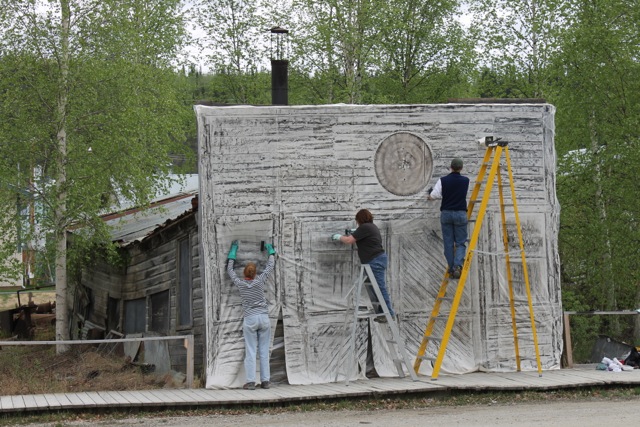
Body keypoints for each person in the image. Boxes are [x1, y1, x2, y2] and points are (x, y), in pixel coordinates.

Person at [226, 240, 276, 390]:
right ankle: (265, 381)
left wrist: (233, 251)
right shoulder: (260, 281)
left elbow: (230, 270)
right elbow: (270, 265)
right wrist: (270, 250)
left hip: (250, 319)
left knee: (251, 351)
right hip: (264, 318)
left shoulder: (241, 284)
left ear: (245, 273)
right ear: (255, 273)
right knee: (264, 350)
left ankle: (251, 382)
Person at [332, 209, 394, 322]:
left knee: (379, 287)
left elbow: (349, 240)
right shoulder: (371, 227)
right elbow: (359, 235)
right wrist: (354, 232)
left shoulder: (365, 227)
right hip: (376, 259)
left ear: (360, 219)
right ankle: (381, 312)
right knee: (374, 288)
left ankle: (388, 313)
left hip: (375, 260)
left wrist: (338, 237)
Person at [428, 157, 470, 279]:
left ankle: (452, 269)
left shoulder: (443, 180)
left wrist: (430, 196)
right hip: (460, 213)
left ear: (450, 167)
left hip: (446, 214)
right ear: (461, 168)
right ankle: (457, 266)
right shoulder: (465, 181)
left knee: (448, 243)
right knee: (461, 243)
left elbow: (434, 195)